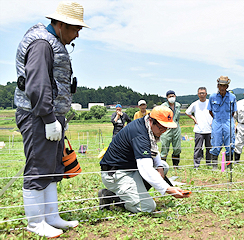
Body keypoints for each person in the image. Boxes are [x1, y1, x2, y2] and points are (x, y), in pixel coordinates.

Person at [13, 1, 89, 238]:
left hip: (50, 116)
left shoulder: (52, 41)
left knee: (52, 166)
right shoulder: (41, 44)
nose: (77, 34)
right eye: (76, 29)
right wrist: (47, 118)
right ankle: (36, 223)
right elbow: (37, 84)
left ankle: (51, 216)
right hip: (38, 115)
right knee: (38, 166)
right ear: (62, 24)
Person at [99, 106, 189, 213]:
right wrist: (168, 189)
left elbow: (153, 151)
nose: (163, 131)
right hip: (117, 174)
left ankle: (133, 195)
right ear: (151, 121)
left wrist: (159, 167)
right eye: (161, 128)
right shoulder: (140, 134)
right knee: (148, 207)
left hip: (131, 169)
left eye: (166, 128)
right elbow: (145, 168)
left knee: (163, 166)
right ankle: (112, 196)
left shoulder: (146, 126)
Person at [207, 76, 237, 170]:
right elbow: (210, 111)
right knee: (216, 142)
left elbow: (233, 112)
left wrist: (227, 120)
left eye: (224, 86)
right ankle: (214, 166)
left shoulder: (232, 97)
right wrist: (217, 118)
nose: (222, 88)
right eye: (220, 85)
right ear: (217, 86)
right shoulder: (212, 96)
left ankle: (229, 166)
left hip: (228, 121)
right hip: (217, 122)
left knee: (230, 144)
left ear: (227, 86)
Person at [185, 87, 213, 168]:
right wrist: (194, 118)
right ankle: (196, 165)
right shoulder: (195, 104)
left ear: (206, 94)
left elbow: (215, 112)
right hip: (199, 130)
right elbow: (187, 112)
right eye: (200, 93)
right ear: (198, 94)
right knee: (198, 148)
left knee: (209, 148)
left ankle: (209, 164)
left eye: (203, 93)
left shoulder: (210, 102)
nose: (202, 95)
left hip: (209, 129)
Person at [160, 90, 182, 167]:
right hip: (166, 128)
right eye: (170, 96)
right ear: (167, 98)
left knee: (177, 147)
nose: (172, 98)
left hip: (176, 127)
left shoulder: (178, 105)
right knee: (164, 147)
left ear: (175, 96)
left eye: (173, 96)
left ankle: (176, 166)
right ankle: (162, 166)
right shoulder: (163, 106)